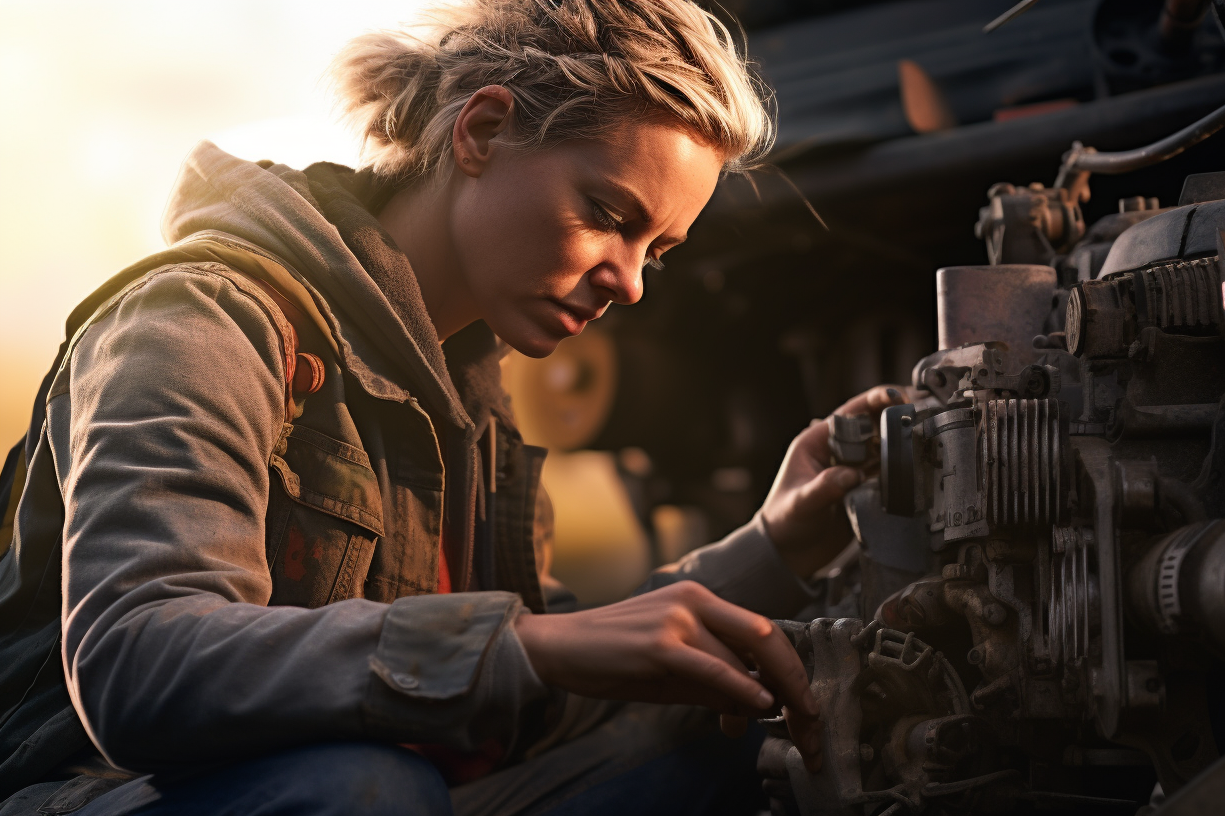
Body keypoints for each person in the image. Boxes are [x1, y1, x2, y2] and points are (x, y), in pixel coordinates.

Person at [0, 0, 902, 814]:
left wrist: (777, 546)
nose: (628, 284)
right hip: (105, 792)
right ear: (482, 130)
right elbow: (139, 665)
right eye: (606, 214)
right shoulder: (202, 320)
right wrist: (524, 649)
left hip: (397, 789)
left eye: (655, 251)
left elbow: (545, 673)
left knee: (741, 741)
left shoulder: (475, 402)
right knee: (365, 792)